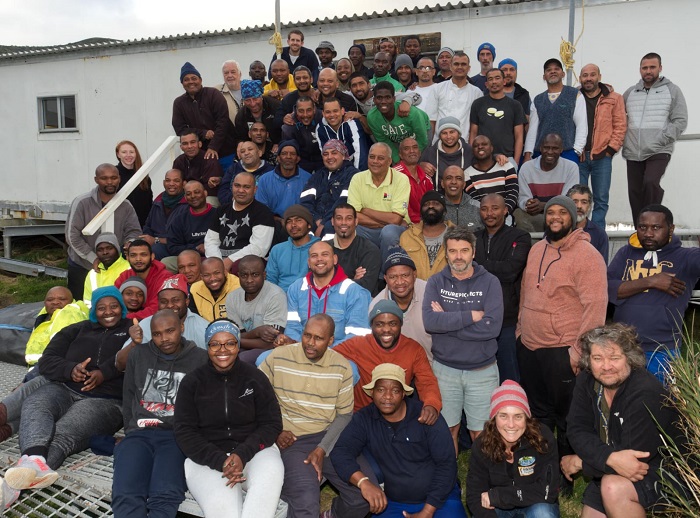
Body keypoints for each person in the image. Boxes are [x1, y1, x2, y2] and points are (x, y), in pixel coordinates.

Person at [516, 195, 607, 493]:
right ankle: (544, 469)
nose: (555, 217)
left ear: (573, 217)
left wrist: (579, 351)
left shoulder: (587, 255)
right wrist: (520, 329)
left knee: (567, 417)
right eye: (550, 212)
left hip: (562, 350)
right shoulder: (537, 248)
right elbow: (527, 292)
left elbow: (596, 307)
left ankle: (566, 478)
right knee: (539, 415)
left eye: (561, 213)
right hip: (529, 346)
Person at [2, 287, 129, 490]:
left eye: (114, 306)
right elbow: (47, 360)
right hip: (65, 387)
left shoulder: (132, 330)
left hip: (107, 400)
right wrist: (70, 369)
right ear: (93, 310)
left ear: (121, 308)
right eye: (101, 307)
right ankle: (33, 460)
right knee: (36, 403)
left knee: (64, 434)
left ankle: (10, 489)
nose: (108, 311)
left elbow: (135, 360)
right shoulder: (76, 329)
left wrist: (105, 373)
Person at [562, 324, 682, 517]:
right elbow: (577, 429)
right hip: (610, 462)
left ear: (629, 358)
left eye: (614, 358)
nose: (606, 366)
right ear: (588, 360)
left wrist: (581, 463)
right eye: (597, 358)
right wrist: (608, 458)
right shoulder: (587, 380)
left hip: (666, 472)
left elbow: (632, 462)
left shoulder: (645, 393)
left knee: (612, 487)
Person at [173, 319, 284, 518]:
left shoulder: (255, 378)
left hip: (254, 452)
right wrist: (220, 461)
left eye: (230, 343)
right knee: (224, 512)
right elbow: (184, 431)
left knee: (269, 478)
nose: (222, 349)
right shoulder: (192, 382)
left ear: (238, 345)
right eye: (215, 343)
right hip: (206, 459)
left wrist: (241, 455)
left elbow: (272, 423)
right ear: (207, 346)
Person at [260, 314, 366, 518]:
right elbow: (255, 396)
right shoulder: (278, 357)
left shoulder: (341, 367)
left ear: (331, 340)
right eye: (307, 335)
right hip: (293, 440)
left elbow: (344, 415)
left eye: (318, 338)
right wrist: (276, 431)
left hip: (330, 438)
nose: (310, 343)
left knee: (363, 496)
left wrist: (322, 448)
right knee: (306, 503)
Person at [330, 363, 466, 518]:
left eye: (395, 390)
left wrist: (428, 511)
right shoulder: (364, 419)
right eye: (381, 390)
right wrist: (364, 483)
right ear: (372, 393)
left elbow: (447, 463)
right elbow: (341, 451)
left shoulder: (426, 415)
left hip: (439, 499)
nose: (387, 396)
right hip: (392, 501)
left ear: (403, 394)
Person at [111, 309, 208, 518]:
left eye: (170, 331)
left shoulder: (200, 358)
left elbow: (204, 404)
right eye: (157, 334)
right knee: (125, 492)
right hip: (139, 433)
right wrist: (130, 430)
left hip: (176, 437)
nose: (164, 338)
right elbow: (128, 395)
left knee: (166, 492)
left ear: (181, 328)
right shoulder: (139, 354)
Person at [423, 225, 504, 453]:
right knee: (448, 430)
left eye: (464, 250)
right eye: (453, 251)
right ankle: (450, 484)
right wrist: (470, 317)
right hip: (445, 370)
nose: (458, 257)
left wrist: (447, 323)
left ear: (473, 252)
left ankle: (481, 483)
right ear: (445, 253)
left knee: (481, 433)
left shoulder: (490, 282)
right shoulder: (435, 283)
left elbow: (492, 328)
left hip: (482, 371)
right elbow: (430, 323)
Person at [607, 204, 700, 380]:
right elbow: (609, 289)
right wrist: (651, 281)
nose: (648, 233)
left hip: (662, 349)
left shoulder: (685, 257)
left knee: (660, 403)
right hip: (622, 346)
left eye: (656, 227)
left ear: (671, 229)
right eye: (643, 227)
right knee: (623, 403)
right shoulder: (625, 253)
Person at [466, 380, 560, 518]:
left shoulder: (543, 438)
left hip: (535, 504)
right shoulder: (482, 444)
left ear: (527, 418)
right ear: (494, 418)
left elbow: (548, 492)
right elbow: (475, 497)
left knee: (543, 514)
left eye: (518, 416)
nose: (511, 424)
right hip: (497, 509)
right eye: (503, 415)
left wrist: (499, 496)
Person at [334, 299, 441, 415]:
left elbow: (427, 381)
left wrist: (431, 404)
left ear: (400, 325)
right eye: (379, 324)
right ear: (371, 326)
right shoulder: (358, 344)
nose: (386, 330)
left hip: (396, 413)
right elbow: (328, 356)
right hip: (361, 414)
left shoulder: (413, 349)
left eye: (392, 324)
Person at [622, 52, 687, 223]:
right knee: (635, 192)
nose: (648, 71)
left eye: (652, 67)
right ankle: (640, 229)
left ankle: (652, 222)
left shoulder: (672, 90)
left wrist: (662, 138)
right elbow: (618, 118)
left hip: (658, 149)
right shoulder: (630, 92)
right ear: (640, 70)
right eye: (645, 68)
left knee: (651, 182)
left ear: (660, 68)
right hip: (633, 151)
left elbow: (680, 120)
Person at [475, 194, 531, 383]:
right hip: (476, 319)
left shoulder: (520, 236)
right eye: (484, 209)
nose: (489, 213)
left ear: (505, 210)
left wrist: (478, 265)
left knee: (509, 378)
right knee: (479, 377)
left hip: (506, 320)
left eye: (495, 208)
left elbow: (510, 271)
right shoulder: (472, 238)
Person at [65, 163, 141, 300]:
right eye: (104, 178)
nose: (110, 182)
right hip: (82, 264)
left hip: (114, 267)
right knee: (81, 305)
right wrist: (92, 257)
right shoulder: (82, 202)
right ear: (96, 180)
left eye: (113, 178)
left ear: (119, 178)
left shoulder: (126, 205)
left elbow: (134, 231)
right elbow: (72, 236)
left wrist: (130, 244)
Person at [279, 240, 371, 346]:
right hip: (302, 350)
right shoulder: (296, 288)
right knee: (262, 358)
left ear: (335, 259)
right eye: (314, 256)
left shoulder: (355, 292)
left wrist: (325, 353)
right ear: (308, 262)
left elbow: (356, 336)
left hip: (340, 353)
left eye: (325, 254)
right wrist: (299, 347)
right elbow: (292, 327)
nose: (319, 259)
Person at [116, 275, 210, 371]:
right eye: (163, 301)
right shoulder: (146, 325)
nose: (169, 305)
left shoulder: (204, 327)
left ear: (186, 301)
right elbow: (120, 365)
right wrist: (134, 343)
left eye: (176, 300)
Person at [578, 63, 627, 228]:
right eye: (585, 75)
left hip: (602, 157)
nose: (589, 78)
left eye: (592, 75)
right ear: (580, 78)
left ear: (599, 77)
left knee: (601, 199)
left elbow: (620, 125)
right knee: (578, 199)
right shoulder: (574, 97)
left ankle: (596, 235)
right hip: (579, 157)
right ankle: (579, 233)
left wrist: (610, 150)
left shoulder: (614, 98)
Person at [347, 143, 410, 259]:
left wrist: (365, 210)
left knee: (388, 232)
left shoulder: (401, 179)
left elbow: (395, 219)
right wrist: (386, 222)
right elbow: (353, 215)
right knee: (350, 229)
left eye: (380, 158)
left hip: (395, 230)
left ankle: (385, 274)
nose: (375, 161)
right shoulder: (357, 178)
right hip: (367, 228)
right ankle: (363, 272)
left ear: (389, 161)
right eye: (372, 157)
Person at [204, 172, 275, 270]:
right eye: (237, 186)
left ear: (255, 190)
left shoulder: (263, 212)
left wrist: (230, 260)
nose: (241, 190)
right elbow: (210, 241)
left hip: (247, 263)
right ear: (232, 187)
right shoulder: (221, 210)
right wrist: (218, 262)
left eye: (246, 187)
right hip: (221, 261)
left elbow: (259, 248)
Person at [371, 248, 432, 359]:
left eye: (405, 275)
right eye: (393, 277)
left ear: (414, 275)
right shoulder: (376, 306)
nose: (399, 282)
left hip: (432, 363)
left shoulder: (431, 293)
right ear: (385, 279)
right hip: (396, 367)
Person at [225, 255, 288, 364]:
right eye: (244, 275)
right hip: (247, 345)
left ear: (264, 275)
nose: (249, 280)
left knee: (242, 358)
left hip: (271, 349)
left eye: (255, 275)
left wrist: (235, 340)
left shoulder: (275, 295)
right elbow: (237, 333)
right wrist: (257, 332)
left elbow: (270, 343)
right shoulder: (232, 298)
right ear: (238, 276)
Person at [524, 58, 586, 164]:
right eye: (548, 70)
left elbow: (582, 125)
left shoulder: (575, 95)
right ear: (544, 76)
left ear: (563, 74)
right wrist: (528, 152)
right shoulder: (538, 100)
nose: (552, 71)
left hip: (567, 153)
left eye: (556, 69)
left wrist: (577, 150)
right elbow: (533, 129)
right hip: (541, 154)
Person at [514, 134, 579, 232]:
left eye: (555, 148)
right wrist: (528, 204)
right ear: (540, 148)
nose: (550, 152)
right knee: (518, 214)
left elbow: (567, 201)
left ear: (561, 150)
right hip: (535, 216)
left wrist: (544, 205)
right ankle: (532, 245)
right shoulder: (527, 168)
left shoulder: (571, 168)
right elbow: (522, 198)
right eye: (546, 148)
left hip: (559, 217)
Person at [172, 62, 235, 161]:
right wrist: (202, 133)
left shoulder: (214, 94)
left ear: (200, 80)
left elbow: (223, 122)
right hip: (201, 156)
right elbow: (180, 129)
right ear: (182, 83)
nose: (191, 82)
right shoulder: (179, 103)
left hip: (226, 152)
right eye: (186, 79)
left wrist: (213, 147)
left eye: (194, 78)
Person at [300, 140, 359, 237]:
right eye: (325, 154)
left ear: (343, 155)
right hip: (315, 218)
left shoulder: (352, 174)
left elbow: (343, 202)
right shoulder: (317, 175)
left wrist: (324, 222)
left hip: (337, 219)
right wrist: (317, 219)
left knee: (329, 229)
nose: (330, 157)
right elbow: (305, 201)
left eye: (334, 153)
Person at [469, 68, 526, 165]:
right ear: (486, 84)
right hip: (482, 159)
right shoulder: (478, 104)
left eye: (497, 78)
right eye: (490, 79)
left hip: (507, 159)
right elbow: (473, 133)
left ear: (504, 81)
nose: (494, 82)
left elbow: (519, 136)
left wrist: (515, 162)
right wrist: (473, 157)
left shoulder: (515, 105)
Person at [324, 203, 382, 295]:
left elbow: (366, 288)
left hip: (359, 305)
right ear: (332, 221)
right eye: (339, 218)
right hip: (325, 304)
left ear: (356, 222)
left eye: (349, 218)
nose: (343, 222)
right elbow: (316, 282)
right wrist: (352, 280)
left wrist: (331, 281)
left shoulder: (369, 250)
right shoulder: (323, 249)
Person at [367, 81, 429, 163]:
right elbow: (385, 141)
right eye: (379, 98)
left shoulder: (410, 113)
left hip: (422, 133)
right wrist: (399, 161)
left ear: (394, 99)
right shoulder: (372, 117)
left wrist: (412, 159)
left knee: (421, 163)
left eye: (388, 97)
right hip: (397, 140)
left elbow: (422, 139)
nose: (383, 101)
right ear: (374, 100)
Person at [400, 191, 455, 280]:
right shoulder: (407, 236)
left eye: (436, 204)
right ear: (421, 211)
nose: (430, 206)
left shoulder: (458, 236)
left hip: (447, 290)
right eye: (426, 204)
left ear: (445, 211)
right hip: (415, 291)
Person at [114, 239, 172, 320]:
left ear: (152, 257)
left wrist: (125, 318)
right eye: (133, 255)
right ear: (127, 258)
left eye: (143, 255)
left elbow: (157, 309)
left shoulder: (164, 277)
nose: (138, 259)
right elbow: (112, 300)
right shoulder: (125, 275)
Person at [266, 205, 319, 290]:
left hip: (309, 298)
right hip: (281, 299)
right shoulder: (277, 250)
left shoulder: (320, 248)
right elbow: (271, 281)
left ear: (309, 225)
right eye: (289, 221)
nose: (293, 225)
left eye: (298, 220)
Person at [255, 140, 312, 218]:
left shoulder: (308, 179)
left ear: (298, 159)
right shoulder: (264, 180)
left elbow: (310, 208)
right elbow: (261, 209)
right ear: (278, 158)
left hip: (300, 223)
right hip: (272, 222)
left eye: (292, 154)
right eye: (284, 153)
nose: (288, 157)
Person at [433, 51, 483, 138]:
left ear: (469, 68)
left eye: (463, 64)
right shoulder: (438, 88)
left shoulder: (477, 92)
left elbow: (476, 124)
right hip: (440, 143)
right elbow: (432, 120)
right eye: (456, 64)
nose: (460, 67)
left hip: (465, 144)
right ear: (451, 67)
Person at [140, 169, 187, 260]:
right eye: (168, 180)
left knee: (154, 250)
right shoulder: (157, 202)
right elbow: (148, 226)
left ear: (184, 183)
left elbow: (184, 239)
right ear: (163, 182)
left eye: (176, 181)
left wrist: (156, 240)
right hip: (155, 244)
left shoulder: (188, 204)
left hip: (176, 249)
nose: (171, 184)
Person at [465, 135, 519, 214]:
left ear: (491, 148)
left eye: (484, 144)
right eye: (476, 146)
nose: (480, 147)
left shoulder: (506, 166)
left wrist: (503, 213)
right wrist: (487, 215)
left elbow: (513, 193)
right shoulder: (467, 174)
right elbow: (474, 199)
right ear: (472, 151)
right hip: (481, 217)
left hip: (506, 215)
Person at [165, 180, 214, 262]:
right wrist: (196, 248)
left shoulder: (219, 214)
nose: (193, 196)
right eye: (188, 194)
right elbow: (173, 247)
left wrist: (210, 247)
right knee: (166, 262)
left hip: (216, 257)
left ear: (205, 193)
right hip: (188, 259)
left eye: (197, 192)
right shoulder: (179, 219)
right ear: (185, 197)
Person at [420, 116, 474, 191]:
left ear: (459, 133)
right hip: (437, 200)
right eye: (444, 133)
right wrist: (419, 166)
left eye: (452, 132)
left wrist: (496, 156)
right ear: (439, 136)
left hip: (465, 200)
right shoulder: (429, 153)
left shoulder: (470, 151)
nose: (448, 136)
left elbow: (486, 162)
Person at [315, 97, 369, 171]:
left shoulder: (351, 123)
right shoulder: (320, 128)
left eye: (335, 111)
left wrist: (357, 176)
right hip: (336, 170)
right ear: (323, 113)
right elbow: (326, 156)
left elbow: (361, 153)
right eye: (328, 112)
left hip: (356, 168)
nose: (332, 115)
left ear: (342, 111)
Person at [172, 130, 224, 205]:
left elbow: (212, 189)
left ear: (199, 144)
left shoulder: (209, 159)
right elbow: (176, 184)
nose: (189, 146)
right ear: (181, 147)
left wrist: (189, 187)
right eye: (185, 144)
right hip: (186, 196)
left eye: (192, 142)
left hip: (206, 196)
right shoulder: (178, 161)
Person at [218, 140, 275, 206]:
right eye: (242, 151)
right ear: (240, 155)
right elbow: (222, 192)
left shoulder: (270, 171)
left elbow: (273, 195)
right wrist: (234, 199)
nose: (246, 153)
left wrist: (248, 201)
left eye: (250, 149)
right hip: (233, 208)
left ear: (259, 153)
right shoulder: (233, 169)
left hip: (260, 211)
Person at [82, 233, 131, 306]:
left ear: (117, 249)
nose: (105, 252)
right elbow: (87, 302)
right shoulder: (92, 274)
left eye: (109, 248)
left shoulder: (129, 269)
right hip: (97, 315)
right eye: (100, 250)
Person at [393, 138, 433, 224]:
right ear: (400, 154)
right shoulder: (393, 174)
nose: (412, 151)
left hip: (424, 225)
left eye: (415, 147)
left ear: (419, 152)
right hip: (402, 224)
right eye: (406, 148)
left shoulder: (427, 179)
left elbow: (432, 205)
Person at [567, 184, 609, 262]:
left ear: (589, 206)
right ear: (568, 205)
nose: (579, 206)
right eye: (575, 202)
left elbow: (602, 268)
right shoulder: (557, 231)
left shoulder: (599, 234)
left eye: (584, 202)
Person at [189, 257, 241, 322]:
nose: (212, 278)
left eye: (217, 273)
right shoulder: (195, 290)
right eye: (207, 275)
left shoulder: (239, 287)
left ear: (225, 272)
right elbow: (194, 320)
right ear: (201, 277)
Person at [279, 97, 323, 173]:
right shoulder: (289, 125)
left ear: (314, 109)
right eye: (301, 111)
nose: (305, 115)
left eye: (309, 110)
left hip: (323, 160)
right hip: (301, 162)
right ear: (296, 111)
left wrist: (348, 114)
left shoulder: (323, 117)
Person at [115, 140, 153, 227]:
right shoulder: (114, 174)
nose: (128, 155)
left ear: (136, 154)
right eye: (124, 152)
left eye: (131, 152)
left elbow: (149, 202)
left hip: (143, 225)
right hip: (122, 225)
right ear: (118, 155)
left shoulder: (143, 175)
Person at [233, 80, 282, 146]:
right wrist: (241, 144)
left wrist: (280, 144)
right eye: (248, 100)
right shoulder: (241, 116)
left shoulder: (276, 106)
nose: (252, 104)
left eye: (255, 99)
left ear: (261, 97)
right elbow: (241, 138)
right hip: (255, 148)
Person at [215, 60, 242, 126]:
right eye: (226, 73)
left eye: (233, 72)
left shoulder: (249, 88)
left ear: (240, 74)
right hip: (227, 134)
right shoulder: (216, 91)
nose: (230, 75)